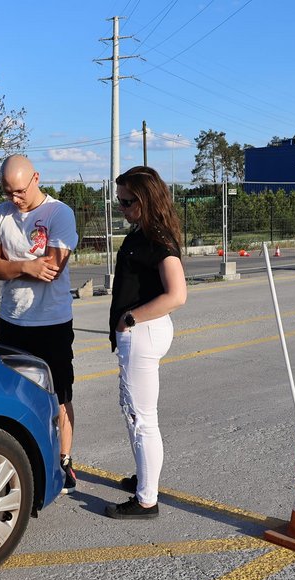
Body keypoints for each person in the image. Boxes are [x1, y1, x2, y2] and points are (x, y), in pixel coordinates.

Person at [0, 155, 79, 494]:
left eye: (19, 191)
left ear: (36, 178)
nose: (13, 199)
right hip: (13, 320)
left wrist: (13, 263)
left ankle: (63, 461)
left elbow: (52, 266)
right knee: (12, 395)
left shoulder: (59, 213)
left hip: (52, 322)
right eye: (6, 191)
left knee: (58, 395)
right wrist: (26, 267)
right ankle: (22, 460)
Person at [105, 165, 187, 519]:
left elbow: (178, 294)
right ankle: (146, 478)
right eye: (119, 202)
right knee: (134, 411)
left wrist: (131, 318)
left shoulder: (158, 239)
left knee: (142, 418)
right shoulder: (144, 231)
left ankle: (146, 500)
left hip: (144, 332)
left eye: (126, 202)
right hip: (140, 333)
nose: (120, 208)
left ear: (144, 200)